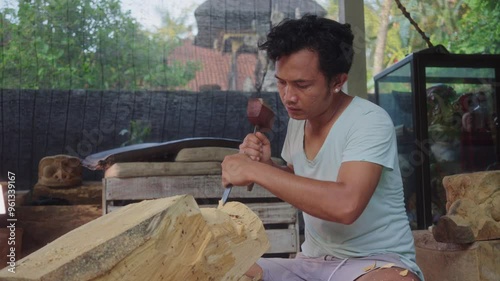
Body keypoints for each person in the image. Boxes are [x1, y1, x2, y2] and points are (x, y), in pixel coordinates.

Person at [221, 14, 423, 281]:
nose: (288, 97)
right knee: (225, 272)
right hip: (311, 263)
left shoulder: (369, 121)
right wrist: (267, 166)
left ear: (338, 81)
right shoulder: (299, 120)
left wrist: (256, 172)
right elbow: (302, 183)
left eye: (302, 85)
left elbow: (346, 205)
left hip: (376, 264)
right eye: (281, 82)